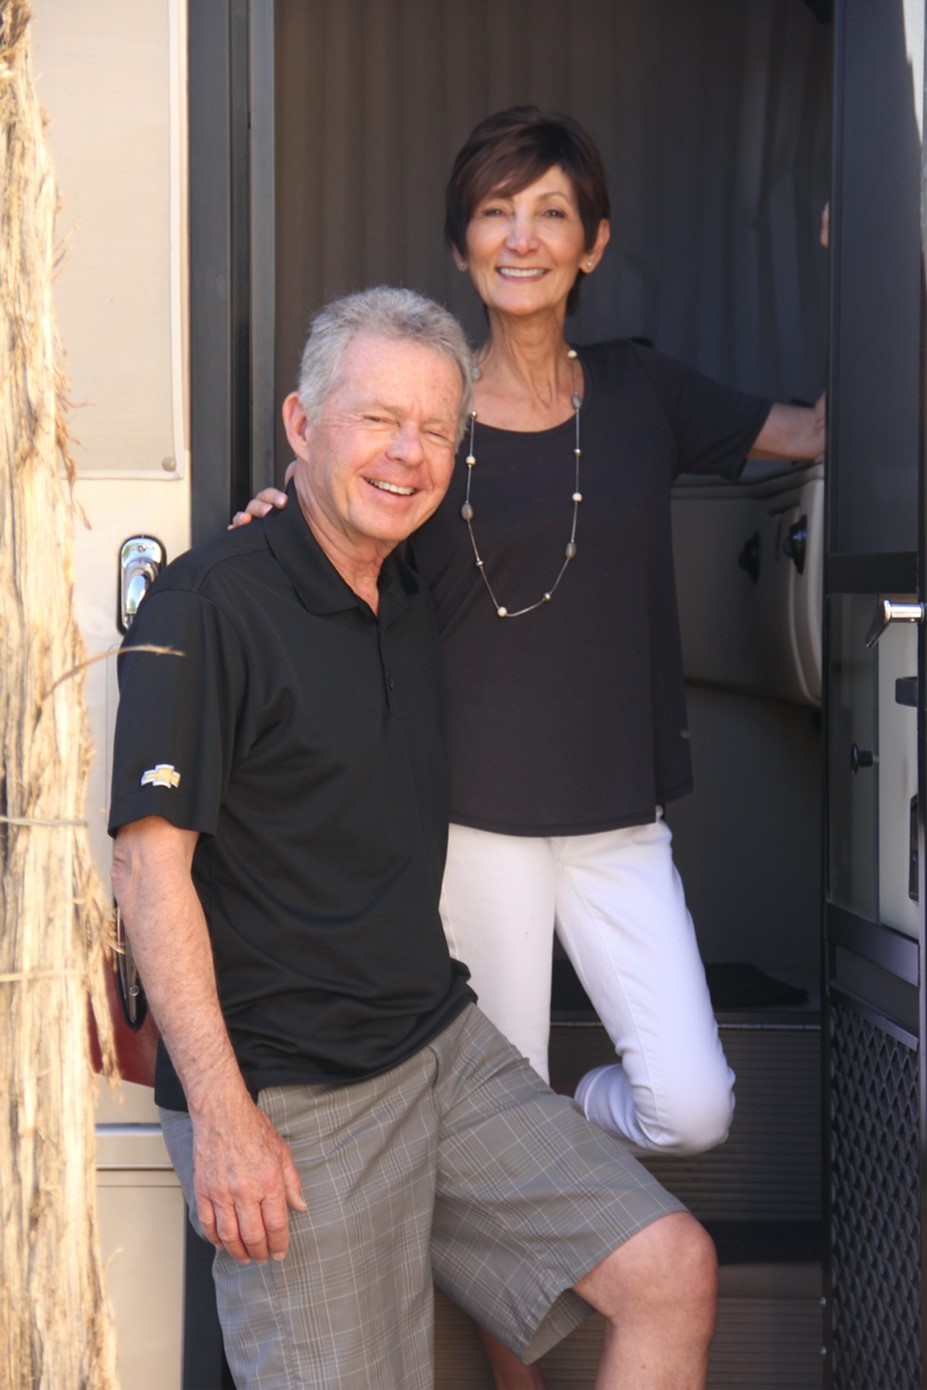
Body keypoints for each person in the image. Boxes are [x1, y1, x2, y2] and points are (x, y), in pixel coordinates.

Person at [236, 106, 824, 1390]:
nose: (523, 237)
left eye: (552, 212)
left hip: (617, 820)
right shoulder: (428, 415)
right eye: (497, 212)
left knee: (692, 1103)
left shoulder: (645, 392)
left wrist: (874, 275)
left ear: (593, 244)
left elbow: (821, 434)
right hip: (471, 827)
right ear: (462, 245)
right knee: (489, 1166)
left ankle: (557, 1123)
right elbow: (339, 509)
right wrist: (280, 508)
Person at [109, 286, 717, 1390]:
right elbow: (150, 874)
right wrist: (225, 1118)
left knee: (668, 1271)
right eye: (378, 419)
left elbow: (572, 542)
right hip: (289, 1093)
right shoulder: (209, 605)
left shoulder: (419, 582)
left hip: (436, 1048)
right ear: (302, 425)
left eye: (437, 429)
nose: (408, 454)